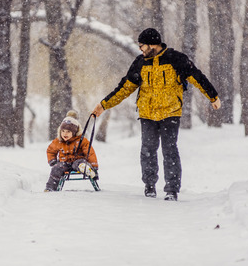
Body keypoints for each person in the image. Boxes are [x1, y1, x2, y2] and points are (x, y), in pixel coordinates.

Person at [92, 28, 221, 201]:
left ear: (153, 44)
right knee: (148, 150)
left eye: (143, 46)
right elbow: (124, 88)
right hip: (147, 114)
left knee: (170, 150)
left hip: (170, 112)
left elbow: (196, 77)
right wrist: (103, 105)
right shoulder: (140, 63)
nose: (141, 50)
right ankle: (149, 186)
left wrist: (213, 96)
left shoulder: (176, 59)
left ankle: (171, 190)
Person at [44, 110, 99, 192]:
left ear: (74, 132)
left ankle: (87, 169)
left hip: (77, 160)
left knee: (80, 163)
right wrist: (52, 160)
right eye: (63, 131)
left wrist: (94, 165)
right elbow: (50, 150)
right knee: (56, 169)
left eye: (68, 132)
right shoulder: (58, 141)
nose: (65, 134)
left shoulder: (81, 140)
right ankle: (50, 188)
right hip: (64, 163)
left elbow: (89, 152)